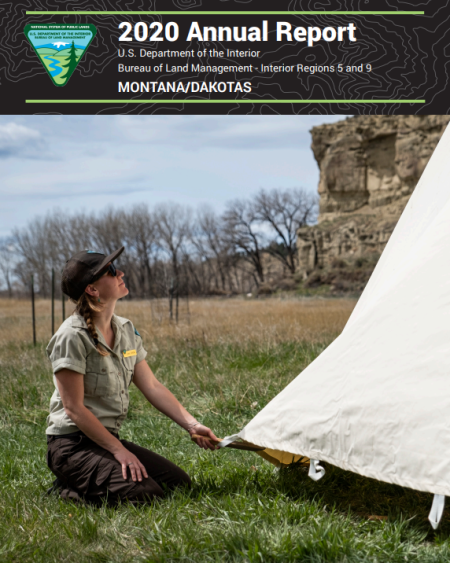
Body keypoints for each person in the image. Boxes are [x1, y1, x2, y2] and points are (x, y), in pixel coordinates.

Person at [46, 246, 218, 505]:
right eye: (112, 270)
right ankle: (68, 487)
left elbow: (152, 385)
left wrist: (192, 425)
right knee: (144, 495)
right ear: (92, 289)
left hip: (104, 440)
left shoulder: (125, 329)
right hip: (73, 445)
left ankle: (88, 477)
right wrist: (120, 451)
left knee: (178, 484)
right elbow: (74, 409)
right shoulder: (71, 336)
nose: (121, 273)